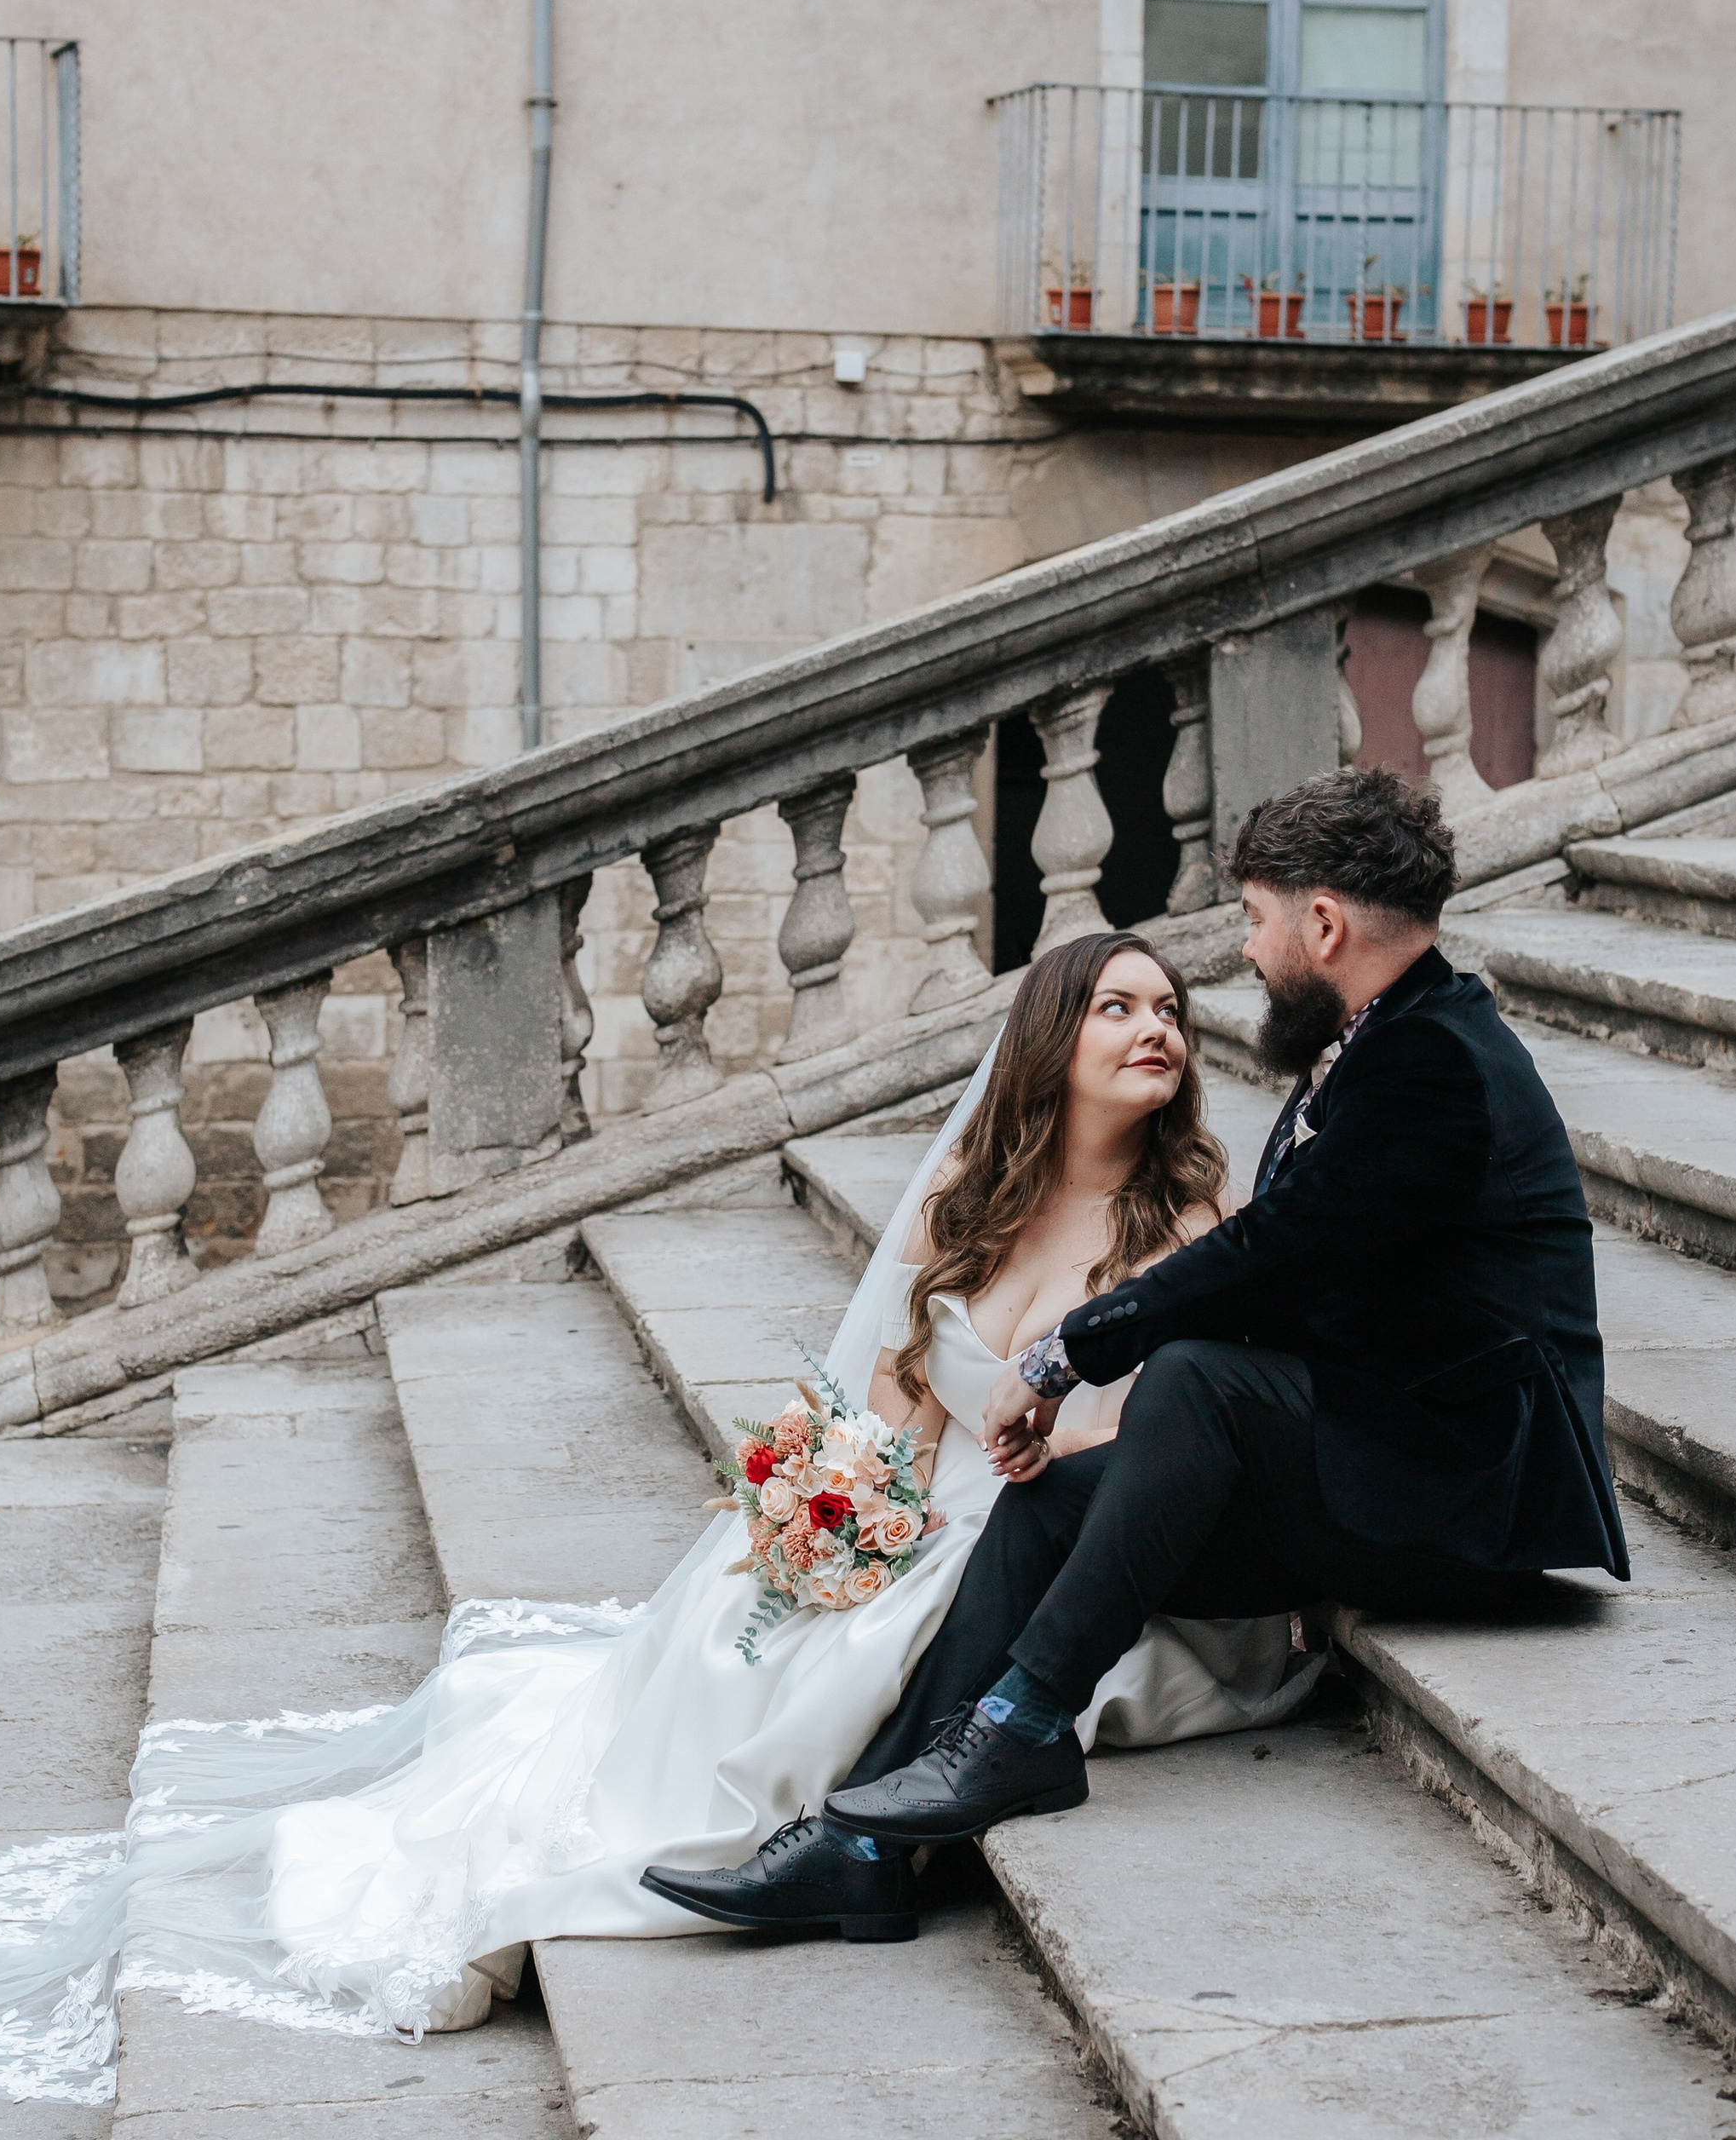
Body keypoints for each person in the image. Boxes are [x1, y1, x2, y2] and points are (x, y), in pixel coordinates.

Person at [0, 929, 1319, 2105]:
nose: (1155, 1028)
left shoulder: (1192, 1219)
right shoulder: (968, 1195)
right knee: (734, 1611)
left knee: (851, 1650)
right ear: (1048, 1042)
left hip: (1051, 1526)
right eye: (1116, 1006)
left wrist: (961, 1504)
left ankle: (835, 1847)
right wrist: (842, 1501)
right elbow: (905, 1391)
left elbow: (1137, 1444)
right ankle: (763, 1800)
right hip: (940, 1497)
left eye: (1170, 1009)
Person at [664, 764, 1629, 1938]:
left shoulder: (1435, 1062)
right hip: (1394, 1445)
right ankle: (867, 1845)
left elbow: (1274, 1252)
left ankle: (1017, 1729)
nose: (1248, 953)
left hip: (1474, 1500)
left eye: (1254, 921)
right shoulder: (1393, 1042)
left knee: (1197, 1377)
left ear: (1320, 923)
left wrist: (1068, 1350)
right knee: (1057, 1497)